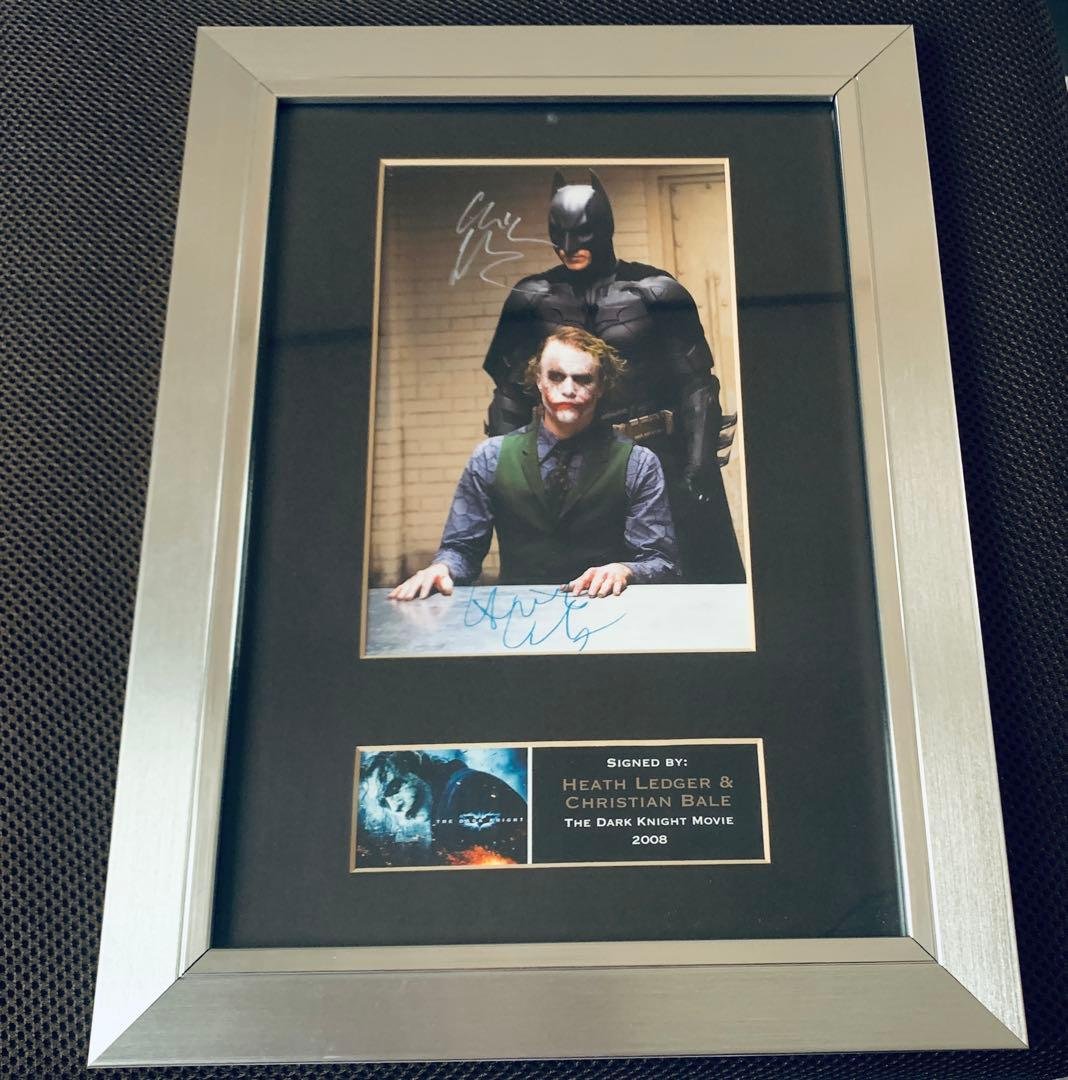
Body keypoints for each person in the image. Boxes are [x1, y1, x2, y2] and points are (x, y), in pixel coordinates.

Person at [481, 169, 745, 584]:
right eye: (559, 234)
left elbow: (697, 385)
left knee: (684, 575)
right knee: (569, 585)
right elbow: (509, 397)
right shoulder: (531, 299)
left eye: (581, 233)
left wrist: (699, 465)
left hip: (656, 452)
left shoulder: (656, 291)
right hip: (568, 461)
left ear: (604, 228)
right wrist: (509, 476)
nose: (569, 247)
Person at [389, 327, 678, 600]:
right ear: (539, 379)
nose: (568, 389)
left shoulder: (637, 463)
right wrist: (442, 568)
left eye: (583, 379)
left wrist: (625, 570)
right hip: (517, 617)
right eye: (556, 377)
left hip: (605, 613)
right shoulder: (491, 457)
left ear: (601, 385)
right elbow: (461, 549)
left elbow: (661, 561)